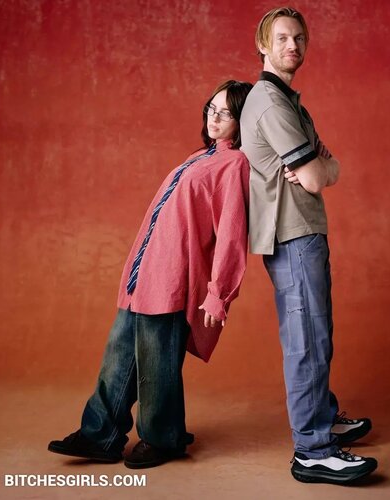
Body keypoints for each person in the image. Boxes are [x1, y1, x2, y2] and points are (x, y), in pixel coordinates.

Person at [48, 80, 253, 469]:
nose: (214, 117)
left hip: (173, 277)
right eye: (211, 108)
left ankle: (163, 438)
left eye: (226, 112)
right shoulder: (199, 157)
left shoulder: (235, 164)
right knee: (119, 355)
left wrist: (219, 294)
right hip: (144, 274)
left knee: (157, 363)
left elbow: (232, 233)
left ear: (241, 120)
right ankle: (100, 435)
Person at [240, 7, 378, 484]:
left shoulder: (290, 101)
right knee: (306, 342)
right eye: (281, 38)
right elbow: (318, 176)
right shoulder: (270, 102)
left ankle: (323, 417)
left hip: (304, 231)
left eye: (299, 38)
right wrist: (320, 168)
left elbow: (327, 168)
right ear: (263, 45)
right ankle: (313, 450)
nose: (292, 46)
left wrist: (323, 167)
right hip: (292, 234)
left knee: (318, 336)